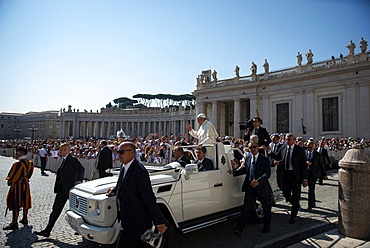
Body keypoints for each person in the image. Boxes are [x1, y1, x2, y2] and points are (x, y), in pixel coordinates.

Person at [106, 142, 167, 247]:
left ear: (132, 153)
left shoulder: (139, 171)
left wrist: (159, 222)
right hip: (127, 218)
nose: (118, 155)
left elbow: (149, 198)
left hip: (137, 220)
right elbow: (122, 182)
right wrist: (115, 190)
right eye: (117, 152)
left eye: (121, 152)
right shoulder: (124, 166)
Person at [34, 143, 85, 237]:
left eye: (60, 150)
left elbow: (81, 169)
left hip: (70, 189)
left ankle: (81, 230)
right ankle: (47, 230)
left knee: (78, 211)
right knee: (55, 210)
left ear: (65, 150)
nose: (59, 152)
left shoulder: (72, 160)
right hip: (62, 189)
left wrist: (78, 180)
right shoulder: (64, 159)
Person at [229, 141, 272, 236]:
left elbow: (267, 173)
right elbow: (245, 169)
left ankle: (266, 226)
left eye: (254, 147)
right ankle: (239, 229)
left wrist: (258, 181)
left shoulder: (264, 159)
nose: (252, 149)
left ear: (258, 148)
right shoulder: (248, 158)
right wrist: (235, 172)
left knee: (266, 207)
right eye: (250, 147)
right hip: (250, 187)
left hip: (261, 187)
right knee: (246, 208)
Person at [269, 133, 308, 224]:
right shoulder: (283, 148)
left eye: (289, 139)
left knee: (296, 195)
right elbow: (278, 157)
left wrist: (305, 179)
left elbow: (303, 165)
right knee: (285, 192)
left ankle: (293, 216)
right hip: (286, 174)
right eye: (286, 139)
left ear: (293, 140)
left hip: (296, 176)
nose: (287, 141)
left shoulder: (299, 150)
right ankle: (295, 204)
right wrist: (270, 152)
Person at [3, 147, 34, 230]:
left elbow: (13, 175)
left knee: (16, 201)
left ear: (20, 153)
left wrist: (10, 182)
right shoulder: (30, 163)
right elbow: (30, 174)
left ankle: (14, 222)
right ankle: (25, 218)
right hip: (26, 184)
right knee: (25, 200)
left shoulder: (18, 164)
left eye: (17, 153)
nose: (16, 154)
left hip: (18, 185)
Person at [306, 141, 326, 210]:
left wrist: (324, 174)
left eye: (310, 147)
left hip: (314, 173)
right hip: (307, 173)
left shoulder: (317, 154)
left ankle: (310, 204)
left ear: (313, 147)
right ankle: (313, 202)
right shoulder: (304, 153)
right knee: (310, 188)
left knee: (311, 187)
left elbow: (322, 164)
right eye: (308, 147)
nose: (309, 149)